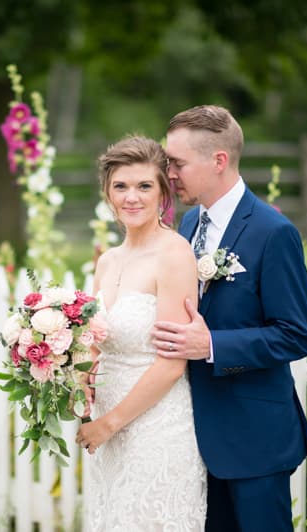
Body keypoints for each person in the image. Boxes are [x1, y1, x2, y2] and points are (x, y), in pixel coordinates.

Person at [151, 105, 307, 531]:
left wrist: (213, 347)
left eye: (178, 162)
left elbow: (297, 335)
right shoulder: (187, 225)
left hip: (255, 438)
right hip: (193, 437)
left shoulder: (273, 232)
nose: (169, 172)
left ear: (218, 160)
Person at [75, 135, 207, 531]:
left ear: (163, 192)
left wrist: (109, 423)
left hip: (156, 426)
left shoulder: (174, 255)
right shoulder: (108, 260)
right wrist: (79, 378)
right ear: (107, 193)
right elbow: (97, 340)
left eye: (144, 186)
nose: (131, 197)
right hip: (107, 426)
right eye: (121, 186)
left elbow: (171, 365)